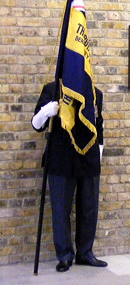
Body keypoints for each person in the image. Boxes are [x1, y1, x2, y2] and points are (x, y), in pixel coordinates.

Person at [32, 81, 107, 272]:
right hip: (60, 157)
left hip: (88, 158)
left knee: (88, 209)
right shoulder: (52, 89)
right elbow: (36, 125)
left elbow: (98, 126)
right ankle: (65, 255)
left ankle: (85, 253)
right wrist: (46, 112)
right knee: (60, 210)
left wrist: (98, 156)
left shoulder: (94, 93)